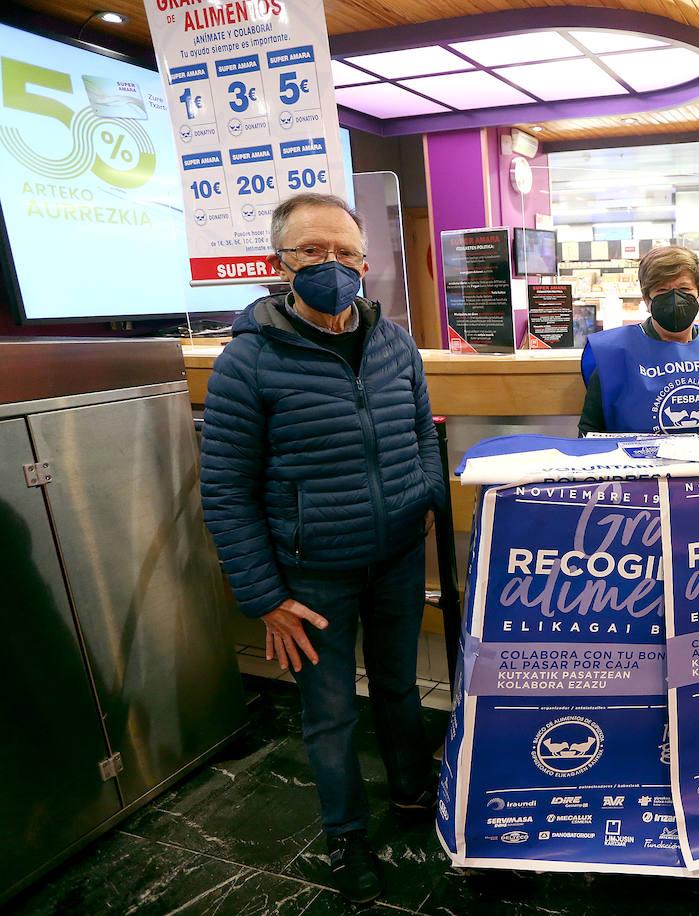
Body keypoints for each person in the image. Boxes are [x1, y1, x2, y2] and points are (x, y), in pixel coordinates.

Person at [200, 193, 445, 905]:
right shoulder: (247, 363)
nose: (330, 265)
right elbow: (226, 492)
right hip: (312, 578)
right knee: (331, 711)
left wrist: (425, 498)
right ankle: (346, 836)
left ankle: (410, 796)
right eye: (311, 251)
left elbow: (423, 431)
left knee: (401, 690)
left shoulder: (393, 342)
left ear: (365, 263)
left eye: (343, 252)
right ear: (282, 263)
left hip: (396, 558)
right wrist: (266, 598)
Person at [579, 245, 699, 435]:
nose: (674, 298)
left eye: (684, 288)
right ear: (647, 301)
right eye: (662, 290)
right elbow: (590, 431)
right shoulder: (614, 355)